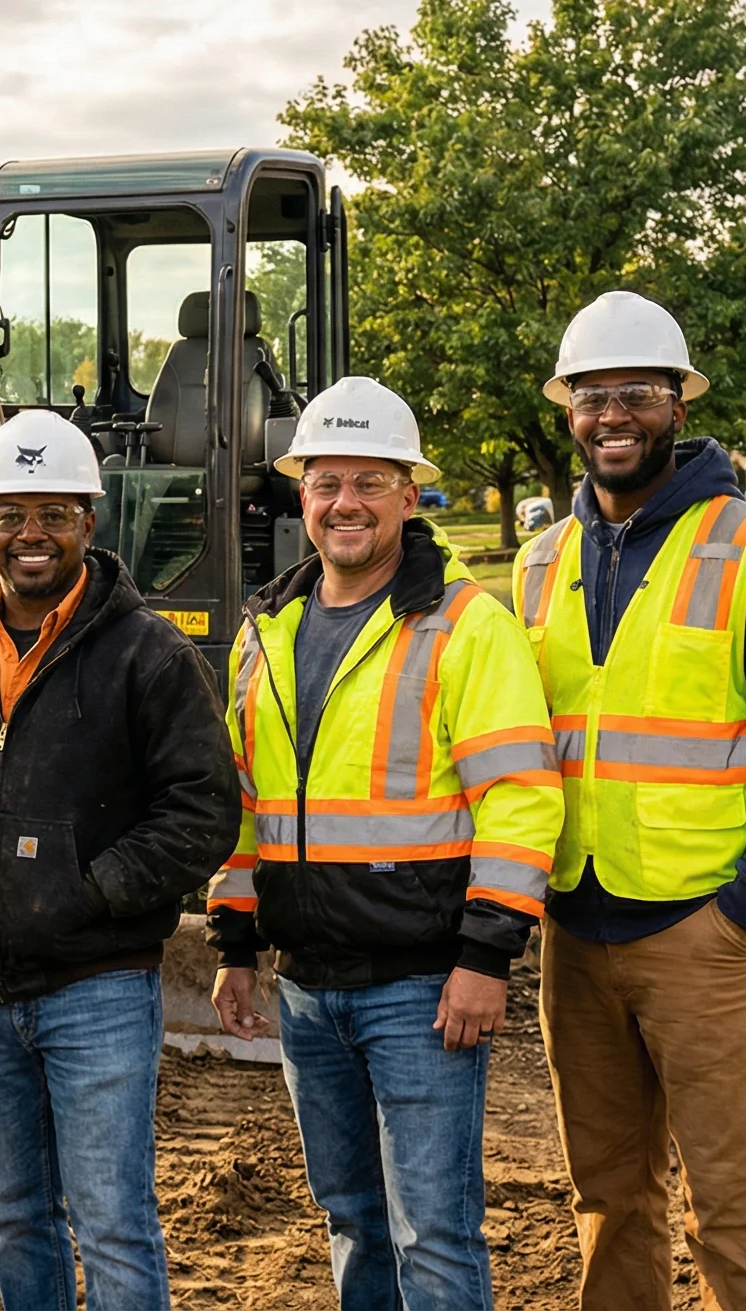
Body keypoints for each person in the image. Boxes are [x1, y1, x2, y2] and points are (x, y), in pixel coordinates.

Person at [516, 291, 746, 1311]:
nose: (611, 415)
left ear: (676, 405)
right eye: (591, 397)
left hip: (709, 938)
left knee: (737, 1206)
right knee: (608, 1199)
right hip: (575, 935)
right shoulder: (539, 562)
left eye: (636, 394)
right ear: (568, 414)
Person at [207, 376, 565, 1311]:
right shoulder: (266, 629)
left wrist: (487, 958)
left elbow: (520, 802)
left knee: (434, 1233)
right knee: (353, 1220)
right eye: (327, 482)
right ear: (300, 495)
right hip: (305, 985)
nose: (345, 504)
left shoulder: (464, 624)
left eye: (371, 481)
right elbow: (247, 808)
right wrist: (235, 944)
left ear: (410, 495)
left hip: (421, 988)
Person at [0, 410, 238, 1311]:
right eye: (10, 513)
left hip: (99, 990)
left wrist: (94, 892)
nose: (30, 533)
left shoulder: (149, 657)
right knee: (13, 1215)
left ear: (89, 519)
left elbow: (203, 810)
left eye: (54, 513)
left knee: (113, 1221)